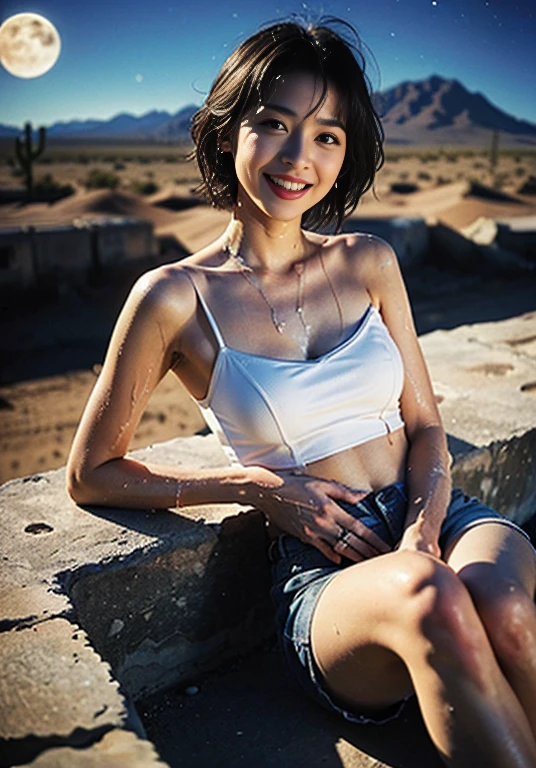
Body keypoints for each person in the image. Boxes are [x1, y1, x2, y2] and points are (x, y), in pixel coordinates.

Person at [66, 17, 536, 767]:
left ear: (347, 153)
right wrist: (255, 486)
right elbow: (91, 473)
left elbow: (426, 428)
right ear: (228, 135)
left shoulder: (369, 261)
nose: (297, 157)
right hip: (326, 577)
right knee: (433, 597)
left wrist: (422, 528)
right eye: (273, 125)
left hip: (440, 516)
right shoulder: (174, 297)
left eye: (326, 135)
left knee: (508, 610)